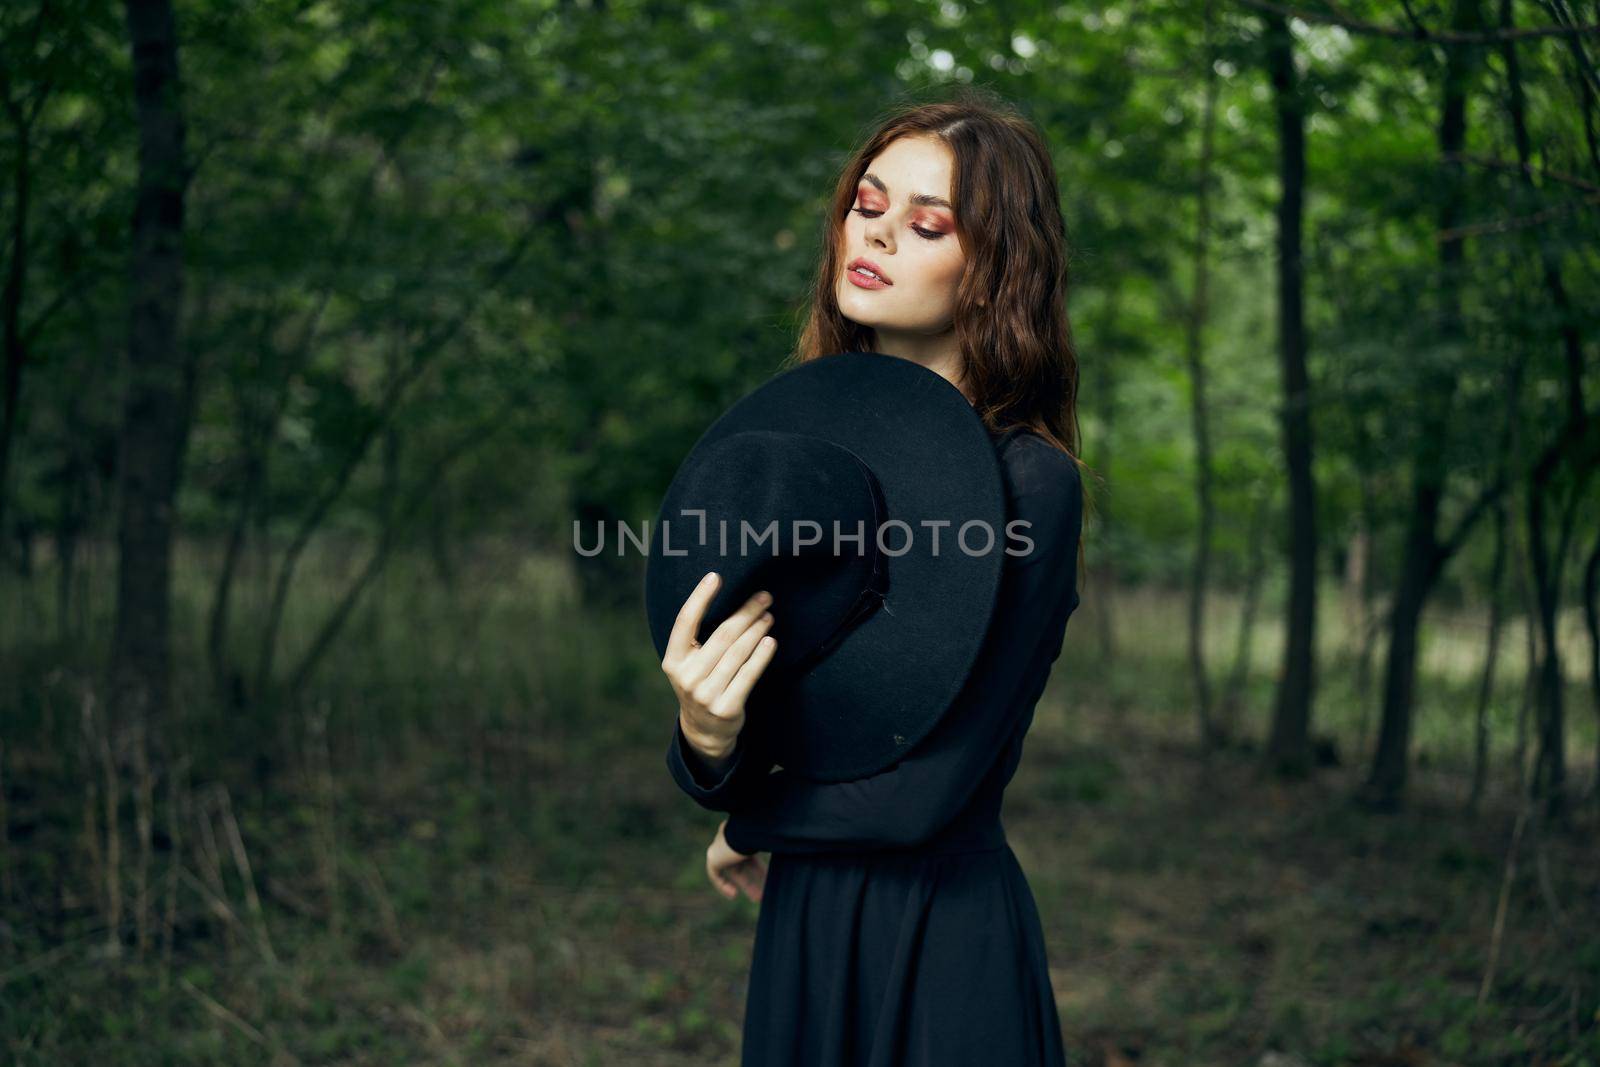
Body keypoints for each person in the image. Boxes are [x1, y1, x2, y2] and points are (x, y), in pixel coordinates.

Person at [661, 89, 1088, 1066]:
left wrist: (751, 820)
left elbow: (921, 794)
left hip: (938, 940)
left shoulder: (1032, 480)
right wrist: (706, 736)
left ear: (991, 272)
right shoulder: (798, 460)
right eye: (868, 203)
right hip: (806, 931)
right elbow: (773, 728)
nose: (880, 233)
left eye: (927, 222)